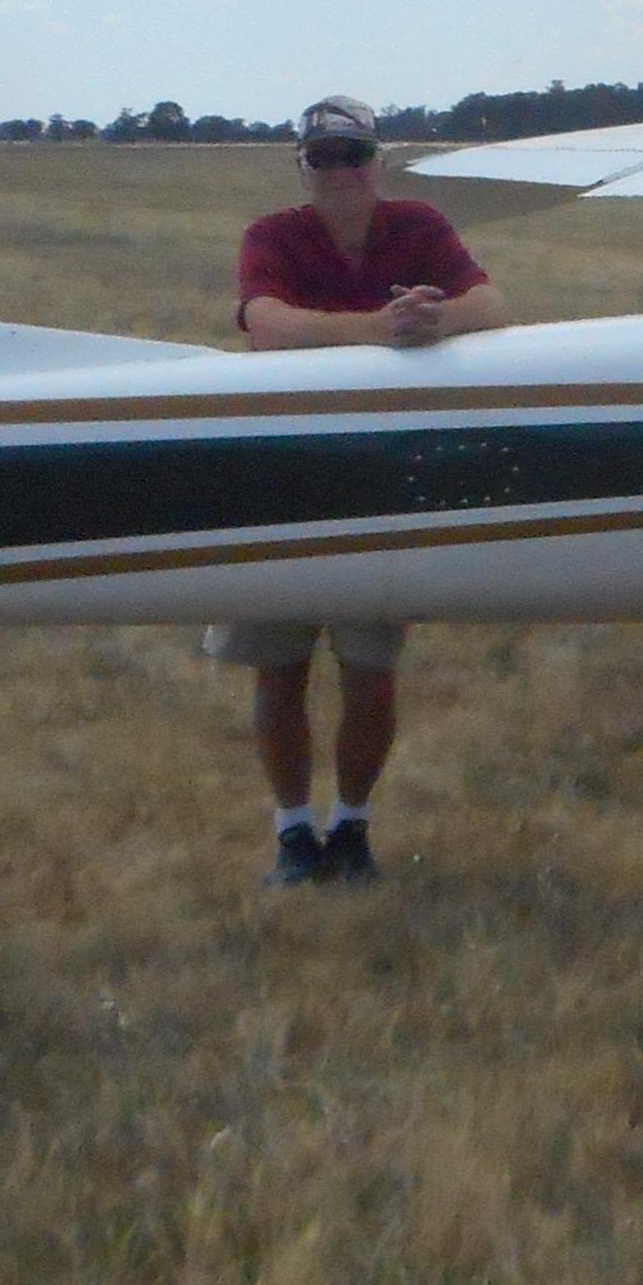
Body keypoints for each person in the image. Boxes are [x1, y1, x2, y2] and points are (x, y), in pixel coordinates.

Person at [222, 96, 509, 885]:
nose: (342, 172)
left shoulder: (419, 224)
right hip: (277, 474)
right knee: (278, 668)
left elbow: (491, 305)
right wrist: (380, 328)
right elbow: (266, 325)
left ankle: (350, 826)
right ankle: (291, 834)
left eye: (355, 156)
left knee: (370, 666)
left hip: (380, 477)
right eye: (325, 159)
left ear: (378, 163)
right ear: (303, 170)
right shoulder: (271, 236)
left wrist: (436, 319)